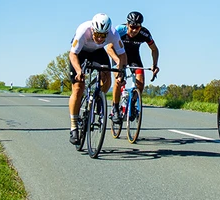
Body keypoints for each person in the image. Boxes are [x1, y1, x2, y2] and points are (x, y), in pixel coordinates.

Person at [68, 13, 127, 144]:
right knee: (78, 88)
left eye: (103, 36)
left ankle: (99, 97)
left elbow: (122, 54)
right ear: (92, 30)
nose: (100, 39)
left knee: (107, 75)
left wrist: (121, 72)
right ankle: (73, 127)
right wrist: (79, 71)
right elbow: (73, 54)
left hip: (97, 52)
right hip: (80, 52)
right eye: (97, 35)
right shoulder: (83, 31)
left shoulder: (113, 33)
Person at [112, 11, 160, 121]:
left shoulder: (144, 33)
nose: (134, 30)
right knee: (119, 80)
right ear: (127, 24)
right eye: (132, 27)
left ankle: (132, 104)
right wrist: (117, 61)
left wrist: (155, 65)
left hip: (134, 57)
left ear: (140, 27)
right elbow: (109, 47)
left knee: (141, 81)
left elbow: (154, 49)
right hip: (118, 56)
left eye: (137, 28)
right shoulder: (119, 30)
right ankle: (115, 108)